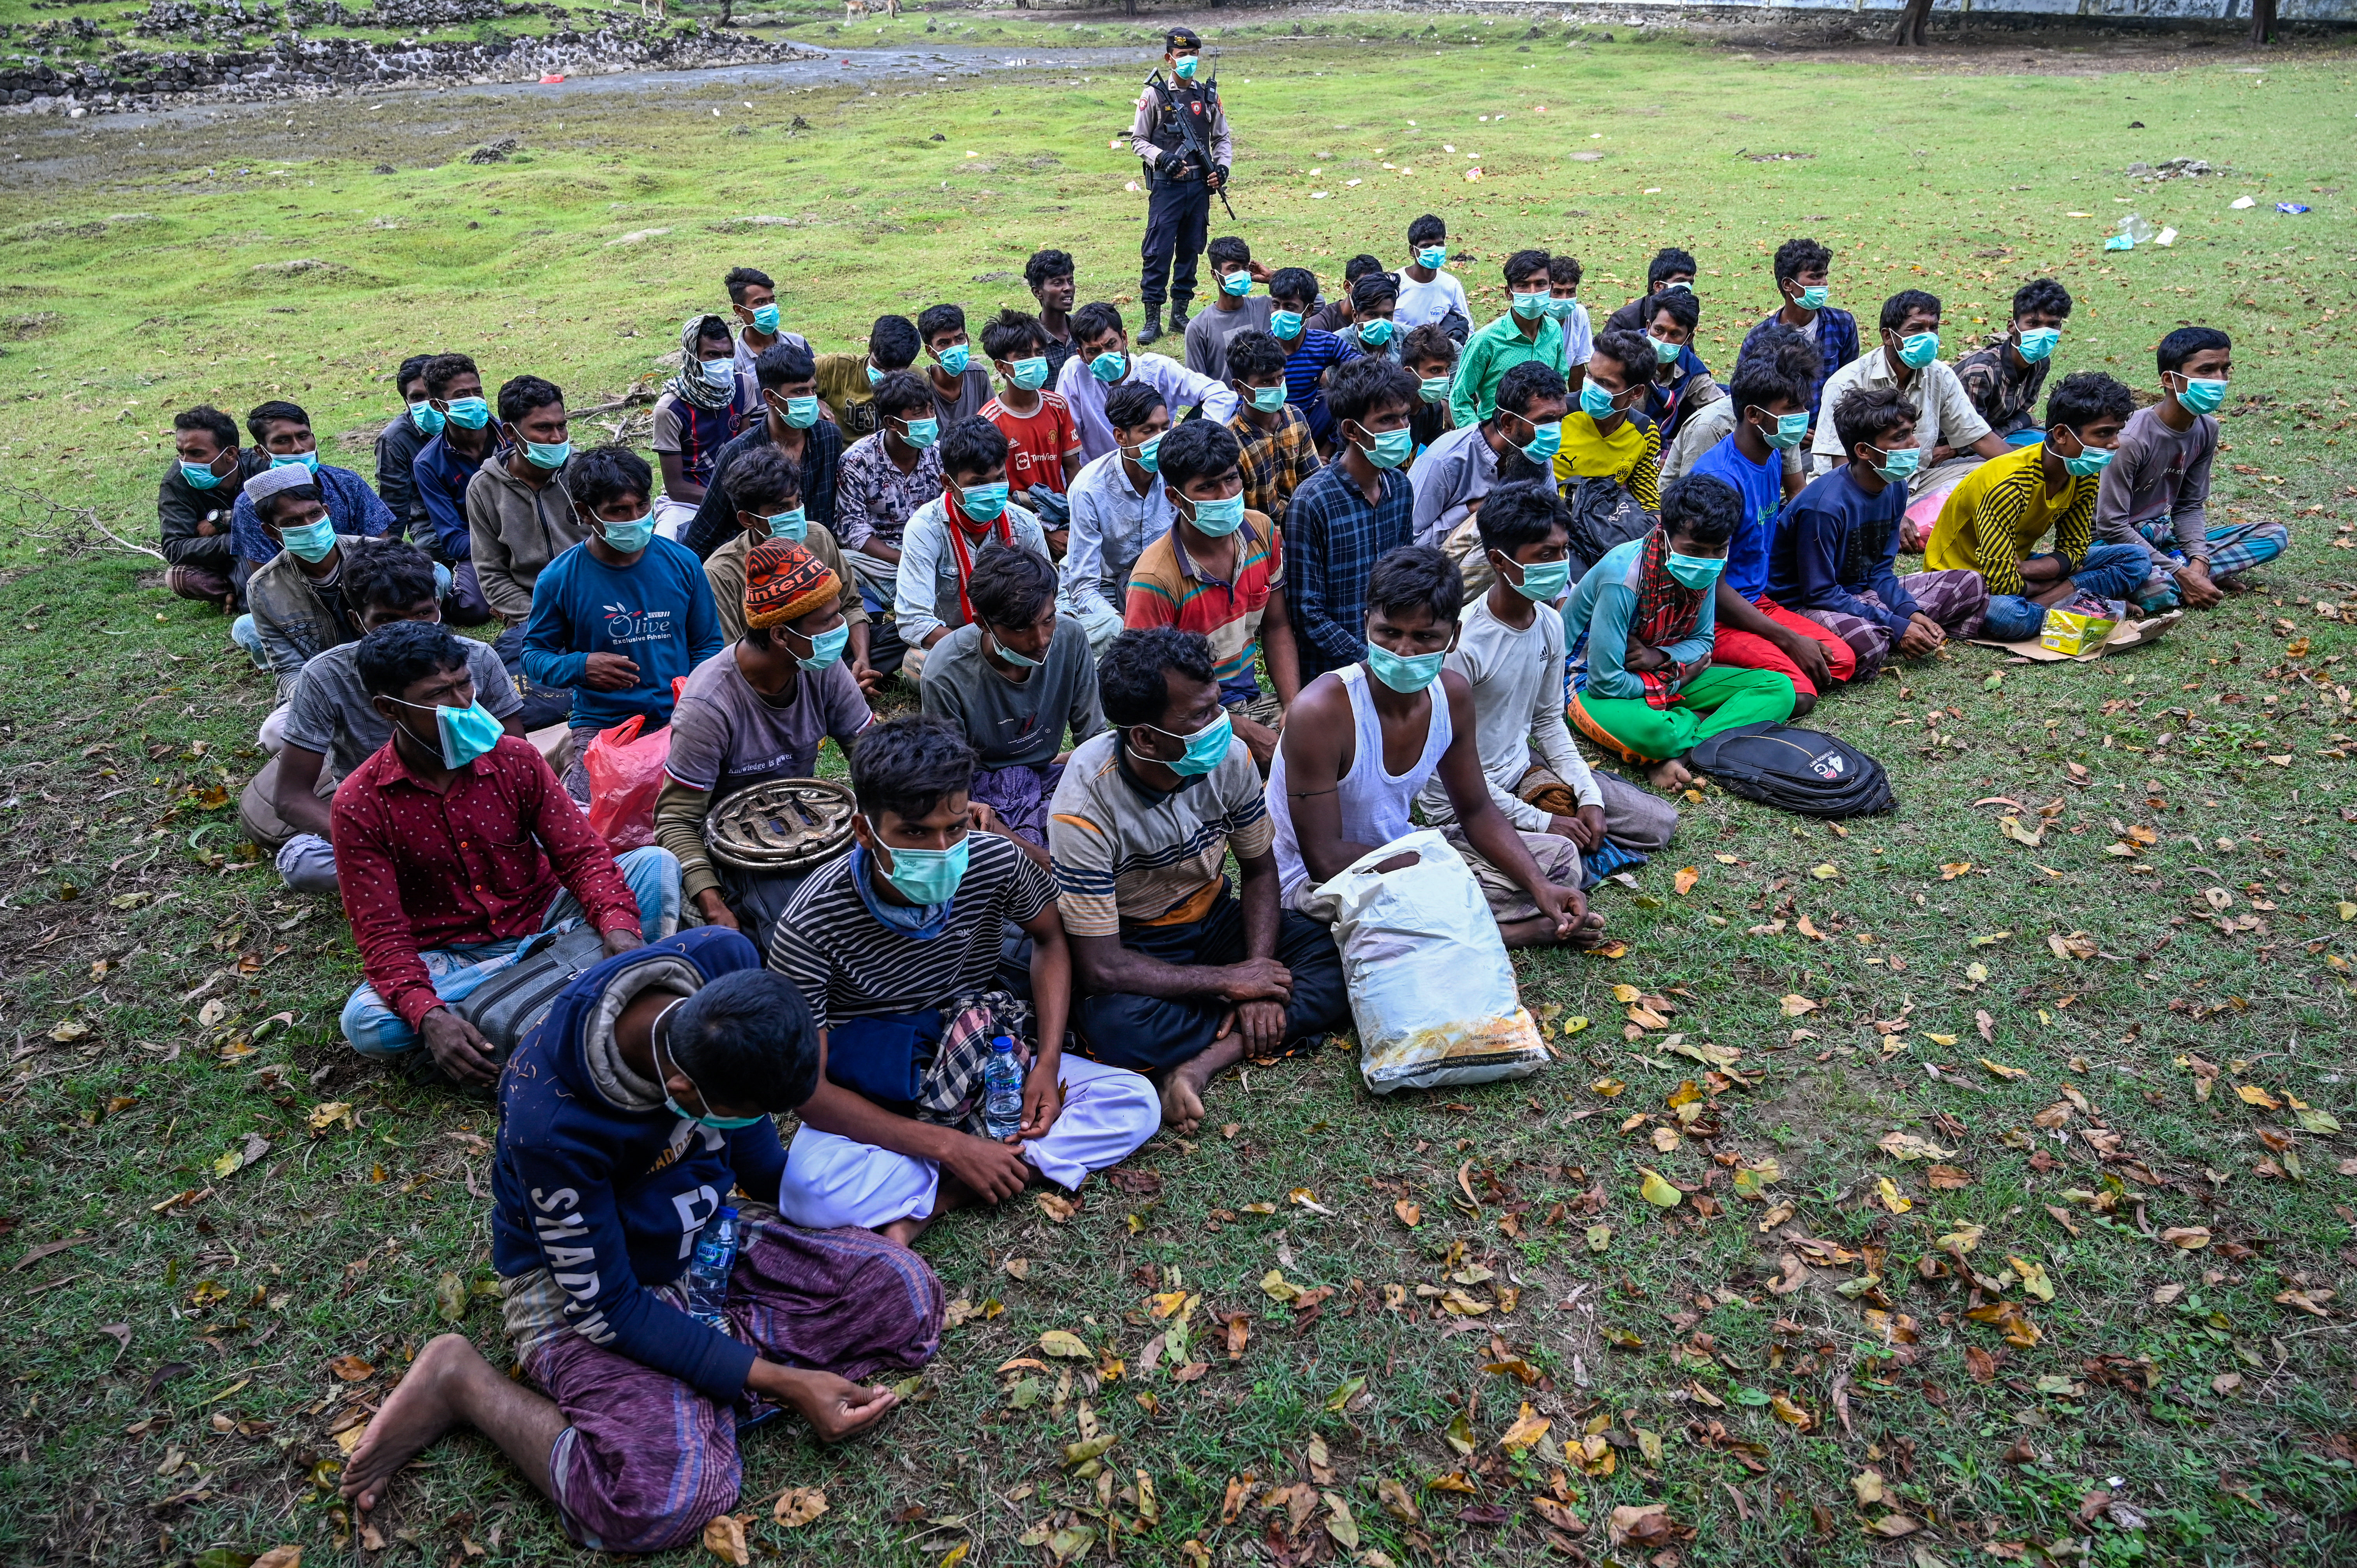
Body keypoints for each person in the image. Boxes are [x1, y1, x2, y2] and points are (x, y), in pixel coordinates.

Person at [337, 940, 937, 1556]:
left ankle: (700, 1371)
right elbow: (611, 1309)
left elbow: (756, 1147)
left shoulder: (724, 968)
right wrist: (786, 1383)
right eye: (740, 1111)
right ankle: (462, 1383)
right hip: (584, 1288)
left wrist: (841, 1208)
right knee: (662, 1500)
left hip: (699, 1232)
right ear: (679, 1086)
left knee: (902, 1292)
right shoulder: (552, 1120)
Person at [766, 715, 1161, 1244]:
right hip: (880, 1084)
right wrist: (946, 1146)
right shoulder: (812, 920)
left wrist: (1044, 1067)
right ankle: (976, 1162)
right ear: (865, 831)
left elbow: (1050, 940)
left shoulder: (995, 860)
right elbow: (810, 1092)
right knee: (807, 1193)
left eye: (954, 828)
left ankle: (939, 1199)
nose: (941, 850)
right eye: (914, 833)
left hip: (983, 1058)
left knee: (1136, 1103)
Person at [332, 618, 681, 1075]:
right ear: (388, 709)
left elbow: (581, 857)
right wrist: (430, 1015)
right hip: (455, 953)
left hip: (548, 918)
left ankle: (508, 1012)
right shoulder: (361, 802)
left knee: (654, 865)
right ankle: (570, 990)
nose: (462, 704)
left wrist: (617, 926)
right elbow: (382, 934)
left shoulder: (515, 758)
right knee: (366, 1022)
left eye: (465, 684)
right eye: (438, 695)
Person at [1053, 628, 1348, 1132]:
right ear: (1145, 736)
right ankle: (1244, 1016)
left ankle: (1203, 1061)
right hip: (1135, 944)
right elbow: (1102, 966)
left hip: (1213, 918)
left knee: (1336, 956)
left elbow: (1259, 869)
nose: (1220, 723)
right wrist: (1232, 982)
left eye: (1216, 706)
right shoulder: (1084, 804)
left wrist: (1257, 971)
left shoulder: (1228, 756)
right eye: (1199, 716)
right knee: (1114, 1028)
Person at [1270, 546, 1597, 948]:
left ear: (1454, 637)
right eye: (1389, 632)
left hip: (1403, 849)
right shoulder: (1321, 711)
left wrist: (1541, 886)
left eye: (1425, 637)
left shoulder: (1452, 696)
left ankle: (1462, 916)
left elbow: (1476, 810)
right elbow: (1323, 857)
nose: (1404, 651)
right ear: (1366, 623)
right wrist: (1429, 867)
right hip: (1319, 883)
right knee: (1389, 909)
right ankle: (1508, 933)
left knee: (1559, 861)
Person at [1415, 481, 1679, 864]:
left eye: (1563, 551)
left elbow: (1548, 721)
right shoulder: (1464, 644)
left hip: (1521, 769)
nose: (1559, 564)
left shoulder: (1551, 623)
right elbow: (1445, 766)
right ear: (1500, 561)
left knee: (1657, 822)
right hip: (1463, 799)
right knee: (1562, 859)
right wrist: (1541, 820)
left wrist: (1589, 796)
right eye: (1545, 554)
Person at [247, 540, 525, 896]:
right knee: (303, 864)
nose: (410, 634)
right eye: (388, 621)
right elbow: (291, 798)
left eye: (423, 615)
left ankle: (435, 871)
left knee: (572, 820)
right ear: (356, 621)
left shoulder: (477, 658)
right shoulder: (325, 675)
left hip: (476, 808)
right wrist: (389, 844)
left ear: (438, 609)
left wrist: (489, 822)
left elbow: (517, 764)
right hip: (383, 823)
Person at [658, 540, 874, 945]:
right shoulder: (709, 704)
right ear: (780, 633)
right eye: (827, 621)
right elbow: (676, 821)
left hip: (811, 829)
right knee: (803, 935)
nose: (839, 629)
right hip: (738, 853)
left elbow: (872, 756)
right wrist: (713, 903)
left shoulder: (819, 664)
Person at [1563, 475, 1798, 791]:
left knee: (1779, 688)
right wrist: (1678, 680)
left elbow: (1703, 643)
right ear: (1664, 534)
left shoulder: (1706, 571)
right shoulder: (1623, 579)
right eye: (1695, 550)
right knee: (1658, 735)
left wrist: (1659, 656)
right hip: (1586, 683)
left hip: (1659, 669)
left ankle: (1684, 752)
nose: (1708, 561)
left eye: (1719, 550)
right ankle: (1696, 727)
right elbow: (1605, 682)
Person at [522, 445, 723, 802]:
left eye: (641, 506)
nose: (635, 518)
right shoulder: (560, 579)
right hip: (603, 722)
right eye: (618, 511)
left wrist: (692, 695)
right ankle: (571, 753)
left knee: (712, 803)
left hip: (682, 713)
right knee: (589, 816)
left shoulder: (684, 563)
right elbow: (534, 657)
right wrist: (581, 666)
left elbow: (707, 644)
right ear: (585, 513)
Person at [1767, 386, 1990, 682]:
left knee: (1970, 582)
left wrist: (1909, 613)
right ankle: (1890, 634)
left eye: (1912, 432)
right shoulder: (1824, 507)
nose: (1914, 443)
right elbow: (1819, 592)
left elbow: (1881, 572)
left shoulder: (1895, 484)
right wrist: (1895, 623)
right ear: (1864, 450)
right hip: (1807, 606)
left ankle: (1898, 632)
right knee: (1868, 644)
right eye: (1900, 437)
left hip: (1862, 595)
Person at [1688, 346, 1857, 717]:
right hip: (1711, 615)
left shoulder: (1772, 455)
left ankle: (1762, 665)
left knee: (1841, 660)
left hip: (1757, 602)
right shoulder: (1719, 480)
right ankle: (1706, 674)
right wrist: (1787, 638)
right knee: (1799, 692)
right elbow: (1707, 585)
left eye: (1803, 408)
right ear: (1753, 415)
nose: (1802, 419)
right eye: (1791, 410)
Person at [1926, 371, 2152, 642]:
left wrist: (2039, 572)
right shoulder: (2009, 483)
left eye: (2116, 433)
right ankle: (2084, 602)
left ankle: (2066, 601)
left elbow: (2075, 550)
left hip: (2019, 567)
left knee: (2135, 558)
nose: (2115, 443)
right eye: (2103, 434)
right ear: (2061, 435)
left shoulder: (2084, 473)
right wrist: (2058, 575)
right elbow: (2000, 582)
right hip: (1965, 579)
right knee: (2011, 618)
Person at [1125, 418, 1298, 768]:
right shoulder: (1155, 578)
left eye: (1231, 479)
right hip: (1192, 719)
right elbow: (1150, 690)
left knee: (1318, 744)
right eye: (1207, 487)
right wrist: (1241, 731)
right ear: (1175, 497)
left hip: (1250, 699)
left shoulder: (1262, 531)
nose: (1227, 496)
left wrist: (1292, 708)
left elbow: (1276, 627)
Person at [920, 549, 1101, 857]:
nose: (1041, 639)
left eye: (1048, 620)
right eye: (1020, 629)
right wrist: (1035, 856)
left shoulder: (1071, 638)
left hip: (1045, 774)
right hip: (981, 792)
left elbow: (1094, 742)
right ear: (983, 623)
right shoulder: (946, 671)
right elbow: (951, 788)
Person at [2097, 325, 2286, 614]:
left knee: (2273, 535)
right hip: (2115, 545)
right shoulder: (2130, 438)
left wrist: (2200, 559)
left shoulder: (2207, 428)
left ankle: (2191, 577)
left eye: (2225, 370)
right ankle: (2182, 580)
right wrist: (2183, 573)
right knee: (2158, 590)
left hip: (2161, 538)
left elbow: (2189, 505)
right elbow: (2110, 526)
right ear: (2170, 380)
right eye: (2207, 370)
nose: (2220, 380)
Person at [698, 442, 876, 693]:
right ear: (747, 519)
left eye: (797, 503)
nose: (795, 515)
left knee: (891, 638)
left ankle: (852, 675)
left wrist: (862, 661)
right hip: (775, 665)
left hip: (830, 642)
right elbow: (731, 655)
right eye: (781, 509)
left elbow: (850, 604)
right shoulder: (722, 572)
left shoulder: (818, 537)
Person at [1285, 358, 1419, 686]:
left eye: (1404, 416)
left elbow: (1404, 578)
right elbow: (1307, 614)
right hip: (1332, 676)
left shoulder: (1400, 487)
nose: (1402, 428)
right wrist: (1369, 662)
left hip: (1391, 662)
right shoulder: (1313, 502)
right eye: (1387, 420)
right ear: (1351, 430)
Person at [892, 416, 1056, 683]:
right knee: (917, 665)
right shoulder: (925, 528)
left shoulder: (1024, 524)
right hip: (957, 639)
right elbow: (914, 621)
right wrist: (987, 647)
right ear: (948, 483)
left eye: (999, 478)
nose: (992, 491)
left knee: (1080, 632)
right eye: (978, 483)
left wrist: (1018, 639)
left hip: (1023, 635)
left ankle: (1007, 674)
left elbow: (1052, 598)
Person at [680, 341, 847, 576]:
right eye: (800, 392)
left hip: (813, 557)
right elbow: (706, 528)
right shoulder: (738, 452)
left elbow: (824, 513)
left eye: (813, 390)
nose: (811, 399)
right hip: (754, 563)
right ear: (770, 397)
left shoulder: (829, 437)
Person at [1807, 290, 2006, 481]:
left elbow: (1978, 436)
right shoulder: (1848, 382)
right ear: (1888, 337)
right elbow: (1841, 466)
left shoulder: (1940, 375)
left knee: (1988, 476)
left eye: (1933, 328)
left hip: (1915, 482)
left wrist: (2027, 468)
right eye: (1917, 329)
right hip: (1856, 490)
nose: (1928, 337)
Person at [239, 465, 389, 717]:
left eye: (314, 514)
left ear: (327, 512)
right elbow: (289, 669)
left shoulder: (375, 554)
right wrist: (322, 704)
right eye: (293, 522)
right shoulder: (263, 588)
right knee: (276, 733)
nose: (309, 526)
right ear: (271, 532)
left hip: (391, 671)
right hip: (324, 684)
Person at [1130, 25, 1230, 348]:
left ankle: (1180, 312)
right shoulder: (1155, 94)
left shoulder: (1208, 96)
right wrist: (1161, 158)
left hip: (1199, 188)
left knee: (1191, 248)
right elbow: (1138, 140)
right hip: (1167, 188)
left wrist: (1222, 169)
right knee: (1158, 251)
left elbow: (1221, 138)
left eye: (1192, 55)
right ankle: (1152, 318)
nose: (1187, 60)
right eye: (1181, 55)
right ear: (1169, 58)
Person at [1062, 382, 1173, 655]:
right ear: (1121, 437)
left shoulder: (1177, 470)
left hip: (1162, 581)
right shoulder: (1089, 489)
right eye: (1148, 431)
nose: (1160, 438)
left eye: (1164, 428)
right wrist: (1126, 627)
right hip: (1107, 587)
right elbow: (1084, 586)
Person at [1056, 301, 1237, 463]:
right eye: (1094, 351)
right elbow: (1064, 434)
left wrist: (1199, 446)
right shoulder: (1075, 374)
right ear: (1082, 356)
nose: (1105, 356)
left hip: (1161, 468)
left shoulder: (1157, 369)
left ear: (1124, 339)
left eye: (1111, 345)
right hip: (1106, 478)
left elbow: (1220, 395)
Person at [466, 374, 582, 626]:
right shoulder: (484, 488)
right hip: (533, 611)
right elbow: (492, 573)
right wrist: (539, 618)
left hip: (593, 599)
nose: (557, 438)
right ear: (511, 433)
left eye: (561, 426)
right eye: (543, 428)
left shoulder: (585, 472)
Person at [1412, 360, 1564, 551]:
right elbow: (1412, 541)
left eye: (1560, 420)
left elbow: (1551, 521)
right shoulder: (1444, 462)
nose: (1555, 431)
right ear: (1508, 422)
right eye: (1546, 420)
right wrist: (1474, 510)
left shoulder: (1534, 453)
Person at [229, 399, 397, 572]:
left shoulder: (347, 482)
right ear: (261, 452)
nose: (298, 448)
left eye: (303, 437)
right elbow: (265, 575)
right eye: (282, 441)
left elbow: (381, 546)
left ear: (314, 439)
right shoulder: (251, 505)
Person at [1664, 324, 1809, 503]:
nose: (1802, 414)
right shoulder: (1711, 429)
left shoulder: (1779, 431)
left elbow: (1797, 492)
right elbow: (1692, 508)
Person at [834, 370, 943, 608]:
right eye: (918, 414)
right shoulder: (857, 460)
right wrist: (906, 558)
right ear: (892, 423)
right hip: (883, 558)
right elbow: (852, 530)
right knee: (844, 563)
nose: (929, 418)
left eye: (931, 410)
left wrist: (929, 556)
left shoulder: (940, 455)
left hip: (933, 552)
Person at [410, 353, 504, 628]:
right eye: (463, 395)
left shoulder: (511, 438)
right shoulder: (429, 464)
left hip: (533, 537)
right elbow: (452, 539)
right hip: (481, 551)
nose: (475, 401)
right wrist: (502, 544)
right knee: (470, 610)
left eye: (478, 392)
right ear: (439, 406)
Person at [1738, 237, 1859, 434]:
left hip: (1831, 433)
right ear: (1788, 285)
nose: (1824, 284)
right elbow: (1743, 401)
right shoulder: (1758, 338)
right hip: (1778, 436)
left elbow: (1850, 386)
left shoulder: (1843, 325)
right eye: (1815, 277)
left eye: (1825, 276)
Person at [651, 315, 758, 536]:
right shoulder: (670, 409)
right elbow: (676, 488)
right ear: (692, 357)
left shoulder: (742, 385)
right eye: (712, 355)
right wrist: (725, 498)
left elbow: (746, 452)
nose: (723, 362)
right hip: (687, 504)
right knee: (670, 550)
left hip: (739, 495)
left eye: (728, 354)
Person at [978, 308, 1085, 512]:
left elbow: (1072, 468)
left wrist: (1077, 513)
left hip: (1061, 511)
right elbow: (994, 489)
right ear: (1001, 366)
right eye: (1024, 356)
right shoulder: (989, 422)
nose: (1035, 360)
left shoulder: (1058, 406)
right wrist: (1038, 526)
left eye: (1039, 353)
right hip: (1018, 517)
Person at [1450, 250, 1567, 429]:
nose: (1533, 292)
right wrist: (1480, 439)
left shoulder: (1554, 331)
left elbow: (1561, 380)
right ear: (1509, 293)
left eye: (1540, 284)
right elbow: (1460, 399)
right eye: (1523, 285)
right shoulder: (1486, 341)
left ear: (1550, 288)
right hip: (1498, 440)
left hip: (1543, 437)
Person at [1554, 327, 1664, 516]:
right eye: (1590, 375)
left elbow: (1648, 501)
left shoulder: (1645, 433)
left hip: (1603, 529)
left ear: (1636, 393)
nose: (1590, 387)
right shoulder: (1557, 415)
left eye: (1605, 383)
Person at [1953, 277, 2074, 442]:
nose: (2043, 333)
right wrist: (2023, 422)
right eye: (2033, 324)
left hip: (1998, 437)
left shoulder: (2041, 363)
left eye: (2053, 325)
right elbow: (1970, 440)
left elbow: (2021, 416)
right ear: (2012, 327)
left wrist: (2023, 422)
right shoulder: (1981, 372)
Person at [160, 404, 255, 612]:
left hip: (264, 550)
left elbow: (282, 516)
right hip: (219, 559)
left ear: (230, 454)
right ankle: (236, 590)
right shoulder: (176, 482)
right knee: (179, 578)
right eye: (181, 453)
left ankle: (244, 593)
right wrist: (237, 540)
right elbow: (174, 548)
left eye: (196, 454)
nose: (186, 463)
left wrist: (225, 520)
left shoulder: (258, 466)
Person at [1224, 327, 1320, 528]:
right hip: (1259, 534)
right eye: (1266, 382)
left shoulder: (1295, 418)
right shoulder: (1232, 443)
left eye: (1280, 378)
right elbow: (1237, 515)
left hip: (1301, 522)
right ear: (1239, 387)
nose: (1277, 387)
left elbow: (1314, 482)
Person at [1265, 266, 1363, 451]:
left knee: (1338, 398)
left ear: (1309, 311)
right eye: (1276, 305)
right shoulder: (1262, 349)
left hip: (1308, 426)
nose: (1280, 312)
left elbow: (1361, 368)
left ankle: (1327, 452)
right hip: (1269, 429)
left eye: (1290, 307)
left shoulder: (1324, 344)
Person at [1629, 288, 1717, 445]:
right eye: (1659, 330)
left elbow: (1722, 409)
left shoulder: (1690, 369)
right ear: (1649, 326)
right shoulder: (1624, 354)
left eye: (1675, 334)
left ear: (1689, 339)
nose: (1664, 339)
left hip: (1661, 449)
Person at [1184, 235, 1274, 383]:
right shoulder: (1199, 328)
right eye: (1233, 269)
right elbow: (1196, 385)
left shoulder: (1266, 307)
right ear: (1215, 274)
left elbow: (1315, 303)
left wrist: (1272, 278)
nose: (1241, 274)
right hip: (1226, 405)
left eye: (1245, 268)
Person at [815, 315, 920, 440]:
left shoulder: (918, 381)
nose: (885, 375)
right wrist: (815, 403)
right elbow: (791, 378)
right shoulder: (837, 367)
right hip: (841, 452)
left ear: (909, 365)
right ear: (870, 348)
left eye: (895, 372)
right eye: (880, 367)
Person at [375, 355, 438, 551]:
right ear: (406, 401)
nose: (428, 403)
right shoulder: (395, 440)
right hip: (432, 523)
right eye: (418, 398)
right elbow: (394, 503)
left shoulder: (473, 419)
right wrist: (389, 554)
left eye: (433, 394)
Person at [724, 263, 814, 377]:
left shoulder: (798, 343)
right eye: (760, 302)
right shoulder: (733, 360)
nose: (770, 307)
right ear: (739, 310)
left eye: (772, 300)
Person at [1394, 213, 1472, 342]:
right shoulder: (1396, 283)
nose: (1434, 250)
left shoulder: (1451, 285)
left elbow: (1467, 328)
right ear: (1412, 251)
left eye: (1439, 244)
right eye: (1426, 246)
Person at [917, 302, 995, 426]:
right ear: (930, 351)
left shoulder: (978, 375)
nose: (955, 347)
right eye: (944, 343)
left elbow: (992, 422)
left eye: (959, 339)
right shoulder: (920, 384)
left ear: (967, 340)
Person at [1604, 248, 1700, 334]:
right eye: (1680, 282)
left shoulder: (1684, 314)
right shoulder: (1624, 321)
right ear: (1658, 287)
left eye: (1690, 283)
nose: (1686, 288)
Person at [1026, 248, 1081, 385]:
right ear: (1038, 292)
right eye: (1058, 283)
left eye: (1071, 281)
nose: (1068, 288)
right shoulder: (1030, 339)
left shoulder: (1085, 329)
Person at [1403, 323, 1459, 454]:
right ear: (1409, 373)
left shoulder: (1434, 408)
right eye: (1435, 370)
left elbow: (1442, 454)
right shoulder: (1389, 411)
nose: (1445, 377)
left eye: (1447, 369)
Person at [1546, 251, 1595, 397]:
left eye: (1571, 292)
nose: (1564, 298)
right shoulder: (1534, 318)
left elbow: (1577, 367)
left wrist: (1578, 406)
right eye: (1558, 292)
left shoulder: (1578, 315)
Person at [1307, 255, 1385, 338]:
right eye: (1364, 287)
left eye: (1377, 287)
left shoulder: (1384, 319)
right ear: (1348, 287)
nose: (1371, 293)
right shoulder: (1321, 323)